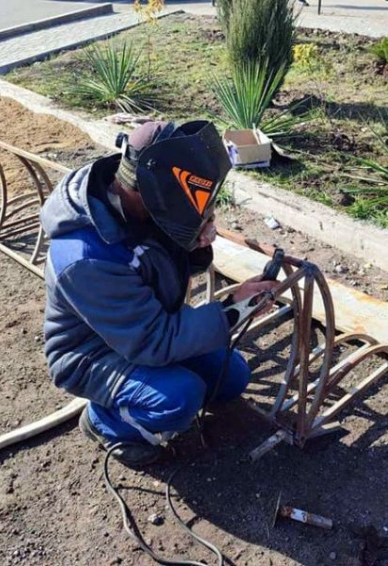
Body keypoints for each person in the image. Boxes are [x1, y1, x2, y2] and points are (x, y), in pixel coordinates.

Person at [40, 120, 278, 467]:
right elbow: (154, 341)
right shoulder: (86, 258)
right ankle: (105, 422)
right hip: (91, 355)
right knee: (182, 396)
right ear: (150, 191)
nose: (200, 213)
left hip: (142, 328)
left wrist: (192, 245)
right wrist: (230, 309)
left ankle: (144, 394)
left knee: (232, 377)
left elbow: (157, 273)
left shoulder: (142, 206)